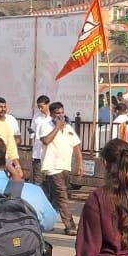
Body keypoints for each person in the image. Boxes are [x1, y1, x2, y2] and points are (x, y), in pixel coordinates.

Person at [36, 101, 81, 236]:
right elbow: (45, 141)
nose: (60, 116)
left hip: (65, 167)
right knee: (62, 196)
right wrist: (57, 127)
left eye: (62, 113)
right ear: (52, 114)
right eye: (57, 114)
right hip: (52, 167)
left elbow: (76, 146)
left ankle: (43, 220)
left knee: (55, 197)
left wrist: (80, 164)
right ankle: (70, 226)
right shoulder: (46, 126)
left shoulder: (68, 127)